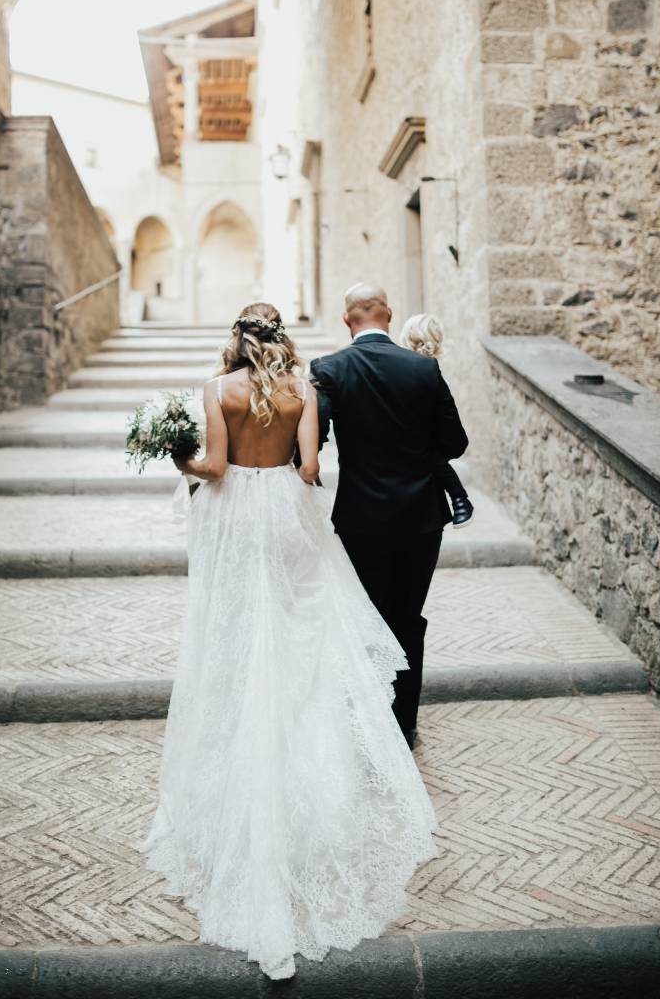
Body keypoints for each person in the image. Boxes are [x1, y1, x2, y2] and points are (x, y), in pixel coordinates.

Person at [139, 302, 438, 980]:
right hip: (287, 517)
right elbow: (309, 471)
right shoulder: (302, 389)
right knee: (300, 638)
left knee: (239, 636)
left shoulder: (220, 390)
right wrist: (283, 468)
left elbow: (213, 467)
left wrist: (177, 454)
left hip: (235, 519)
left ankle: (242, 761)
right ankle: (306, 768)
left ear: (236, 341)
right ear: (279, 340)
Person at [309, 284, 469, 751]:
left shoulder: (330, 369)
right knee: (407, 617)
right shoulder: (424, 368)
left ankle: (367, 720)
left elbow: (312, 439)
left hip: (360, 518)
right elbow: (455, 443)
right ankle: (403, 725)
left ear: (346, 320)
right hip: (421, 517)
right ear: (390, 315)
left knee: (365, 615)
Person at [398, 312, 474, 528]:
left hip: (422, 435)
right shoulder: (418, 365)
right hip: (411, 432)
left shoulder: (426, 368)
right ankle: (460, 498)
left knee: (432, 455)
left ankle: (460, 498)